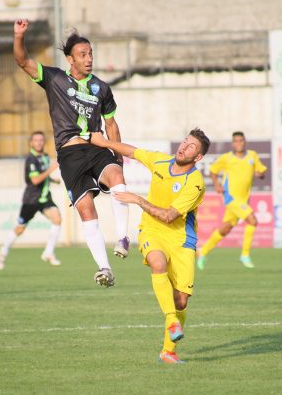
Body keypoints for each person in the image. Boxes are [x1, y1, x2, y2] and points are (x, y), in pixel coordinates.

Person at [13, 18, 130, 288]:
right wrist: (19, 36)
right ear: (70, 59)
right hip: (70, 155)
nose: (89, 59)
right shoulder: (54, 78)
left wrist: (119, 155)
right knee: (86, 209)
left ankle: (123, 237)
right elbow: (22, 61)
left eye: (90, 54)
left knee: (117, 178)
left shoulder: (102, 88)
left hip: (98, 148)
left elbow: (111, 124)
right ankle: (104, 268)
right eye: (82, 55)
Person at [90, 128, 211, 364]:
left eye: (191, 147)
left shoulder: (195, 183)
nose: (184, 147)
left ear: (198, 158)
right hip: (152, 230)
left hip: (181, 239)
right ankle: (171, 320)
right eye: (185, 141)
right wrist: (105, 142)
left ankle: (168, 352)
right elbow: (133, 152)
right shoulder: (160, 160)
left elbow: (169, 216)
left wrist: (137, 199)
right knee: (158, 262)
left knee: (182, 301)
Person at [197, 131, 267, 270]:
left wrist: (261, 174)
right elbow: (213, 170)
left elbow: (262, 171)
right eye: (236, 141)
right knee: (252, 221)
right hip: (231, 198)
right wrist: (216, 184)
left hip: (243, 200)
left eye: (241, 140)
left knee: (225, 229)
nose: (239, 143)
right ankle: (245, 254)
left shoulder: (252, 156)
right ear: (232, 143)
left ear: (244, 141)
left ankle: (202, 252)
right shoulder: (227, 158)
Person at [0, 131, 63, 270]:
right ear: (31, 143)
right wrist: (51, 169)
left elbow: (42, 176)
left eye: (41, 140)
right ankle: (3, 252)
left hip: (44, 198)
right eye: (36, 140)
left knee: (57, 219)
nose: (39, 142)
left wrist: (52, 180)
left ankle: (48, 252)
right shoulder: (31, 159)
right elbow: (35, 179)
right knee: (20, 229)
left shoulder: (44, 156)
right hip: (31, 200)